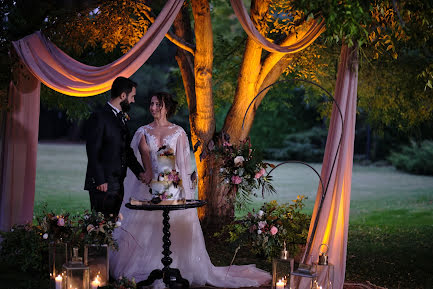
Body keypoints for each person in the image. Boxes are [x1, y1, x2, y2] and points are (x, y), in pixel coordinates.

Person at [110, 92, 271, 288]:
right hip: (150, 189)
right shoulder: (142, 132)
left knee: (172, 228)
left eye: (157, 104)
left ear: (166, 107)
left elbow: (183, 166)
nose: (153, 108)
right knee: (147, 230)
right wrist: (147, 179)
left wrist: (187, 195)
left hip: (173, 190)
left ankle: (175, 267)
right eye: (151, 103)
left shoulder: (178, 132)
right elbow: (139, 164)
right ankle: (150, 269)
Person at [84, 76, 146, 217]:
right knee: (100, 227)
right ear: (123, 95)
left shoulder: (121, 118)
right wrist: (100, 180)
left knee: (111, 226)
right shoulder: (99, 116)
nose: (133, 101)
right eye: (132, 96)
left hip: (118, 182)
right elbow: (93, 150)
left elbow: (126, 150)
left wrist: (139, 172)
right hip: (103, 183)